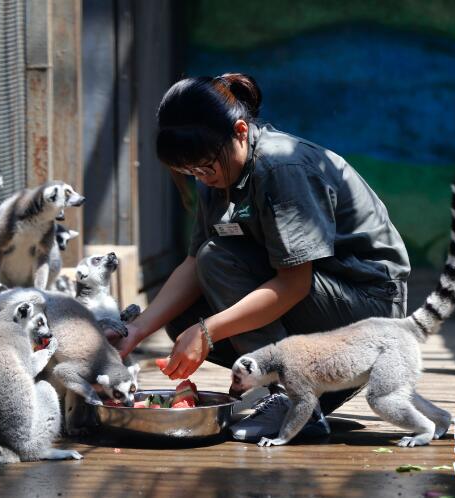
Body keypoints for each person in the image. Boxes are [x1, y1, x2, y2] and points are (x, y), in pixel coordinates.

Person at [109, 72, 410, 441]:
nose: (201, 178)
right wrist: (137, 331)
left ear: (239, 131)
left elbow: (293, 283)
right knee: (184, 316)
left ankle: (293, 399)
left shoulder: (283, 168)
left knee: (216, 267)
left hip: (368, 309)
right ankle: (306, 393)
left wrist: (207, 332)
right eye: (189, 171)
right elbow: (191, 265)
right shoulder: (217, 173)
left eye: (204, 166)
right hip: (325, 309)